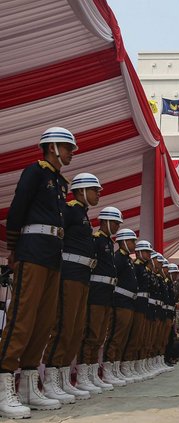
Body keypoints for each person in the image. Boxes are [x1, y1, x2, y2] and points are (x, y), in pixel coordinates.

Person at [0, 127, 76, 418]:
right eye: (68, 147)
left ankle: (29, 385)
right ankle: (4, 379)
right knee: (22, 317)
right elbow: (17, 210)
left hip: (52, 255)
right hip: (32, 251)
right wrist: (14, 249)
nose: (71, 153)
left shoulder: (59, 182)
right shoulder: (35, 172)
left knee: (43, 322)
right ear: (52, 147)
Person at [43, 173, 103, 401]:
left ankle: (63, 377)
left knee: (76, 330)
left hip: (82, 276)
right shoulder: (69, 210)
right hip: (68, 274)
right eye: (94, 189)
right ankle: (50, 379)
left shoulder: (83, 215)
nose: (98, 194)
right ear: (80, 191)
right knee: (64, 326)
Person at [78, 207, 128, 388]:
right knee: (91, 334)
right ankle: (83, 374)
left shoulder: (107, 242)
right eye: (115, 223)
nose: (117, 226)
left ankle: (91, 374)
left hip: (106, 294)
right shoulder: (97, 240)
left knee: (99, 337)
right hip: (96, 293)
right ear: (105, 221)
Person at [103, 229, 139, 382]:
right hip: (120, 301)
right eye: (132, 241)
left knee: (123, 337)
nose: (134, 244)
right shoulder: (118, 258)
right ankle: (108, 368)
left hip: (128, 302)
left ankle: (116, 367)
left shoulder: (127, 260)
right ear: (123, 241)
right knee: (115, 336)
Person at [123, 240, 154, 380]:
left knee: (141, 338)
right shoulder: (135, 266)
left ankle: (135, 365)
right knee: (131, 336)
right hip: (133, 303)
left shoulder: (142, 267)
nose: (148, 255)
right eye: (146, 252)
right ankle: (124, 366)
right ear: (140, 252)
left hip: (143, 305)